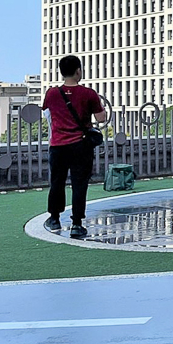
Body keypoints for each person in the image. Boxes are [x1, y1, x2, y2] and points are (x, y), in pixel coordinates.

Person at [41, 55, 107, 239]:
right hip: (80, 145)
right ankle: (77, 224)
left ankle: (54, 218)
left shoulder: (52, 93)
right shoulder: (88, 93)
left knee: (57, 182)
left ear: (61, 72)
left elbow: (47, 113)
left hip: (58, 146)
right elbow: (101, 118)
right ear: (78, 70)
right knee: (79, 184)